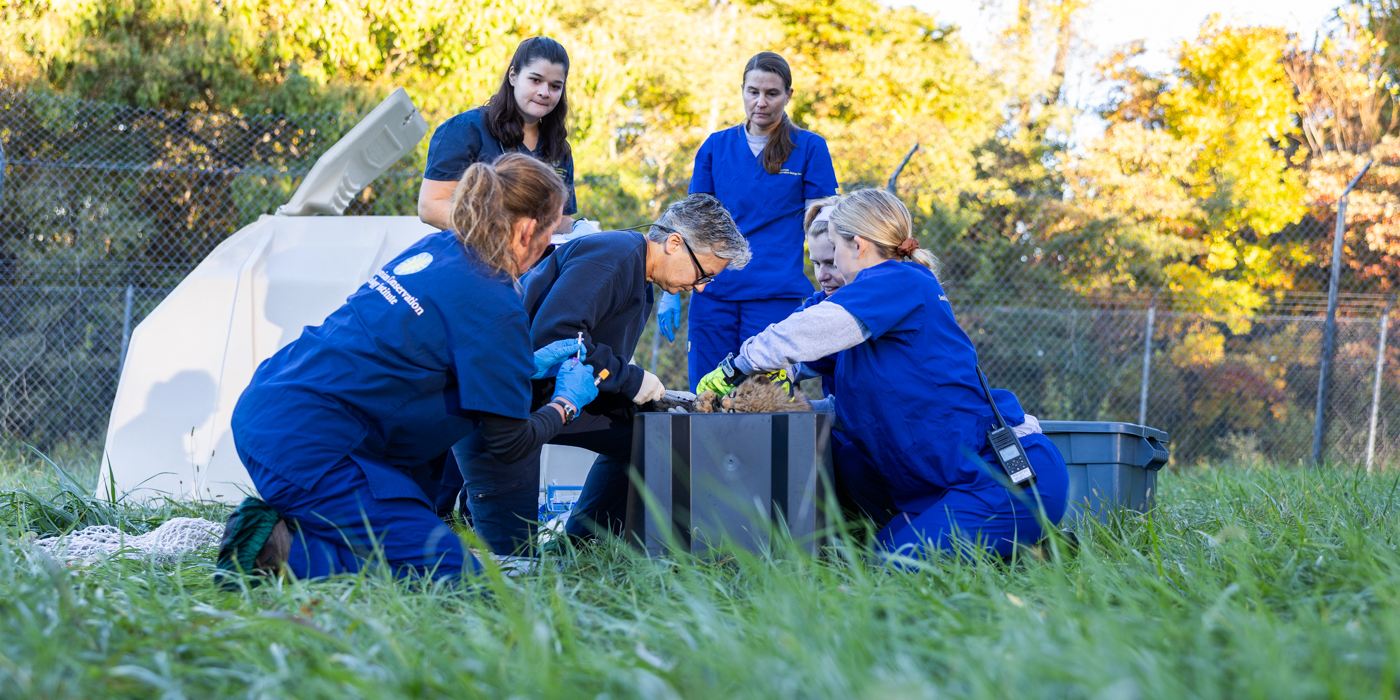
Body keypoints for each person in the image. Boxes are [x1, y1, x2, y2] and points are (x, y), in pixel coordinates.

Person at [218, 154, 598, 582]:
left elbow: (424, 349)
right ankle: (271, 552)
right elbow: (507, 444)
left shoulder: (439, 248)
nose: (550, 245)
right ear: (528, 230)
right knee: (455, 578)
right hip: (310, 443)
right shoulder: (495, 305)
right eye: (553, 232)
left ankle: (299, 524)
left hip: (273, 399)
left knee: (416, 534)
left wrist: (519, 367)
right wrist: (566, 401)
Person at [696, 189, 1069, 560]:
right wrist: (777, 386)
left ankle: (1020, 542)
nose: (829, 270)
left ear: (856, 246)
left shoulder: (900, 281)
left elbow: (805, 333)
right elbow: (847, 388)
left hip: (1005, 479)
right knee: (869, 556)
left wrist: (737, 366)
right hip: (951, 480)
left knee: (893, 575)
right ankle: (1025, 553)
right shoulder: (869, 305)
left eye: (834, 252)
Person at [454, 194, 750, 554]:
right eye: (704, 273)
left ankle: (583, 541)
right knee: (512, 558)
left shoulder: (641, 278)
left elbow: (595, 362)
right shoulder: (616, 255)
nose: (701, 286)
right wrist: (631, 378)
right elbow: (554, 338)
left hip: (544, 395)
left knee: (650, 431)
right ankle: (470, 508)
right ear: (674, 243)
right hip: (502, 403)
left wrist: (650, 396)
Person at [672, 51, 839, 391]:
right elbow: (693, 221)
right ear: (743, 91)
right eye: (753, 91)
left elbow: (825, 224)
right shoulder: (715, 147)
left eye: (772, 93)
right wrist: (672, 286)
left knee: (765, 399)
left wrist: (836, 273)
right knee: (707, 394)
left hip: (774, 295)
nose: (761, 102)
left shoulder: (809, 148)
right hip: (714, 293)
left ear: (788, 95)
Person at [418, 37, 577, 236]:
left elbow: (560, 220)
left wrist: (580, 230)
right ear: (513, 76)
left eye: (555, 86)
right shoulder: (465, 129)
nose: (544, 92)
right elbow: (430, 207)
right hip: (474, 257)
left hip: (537, 264)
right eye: (535, 80)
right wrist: (498, 233)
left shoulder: (558, 148)